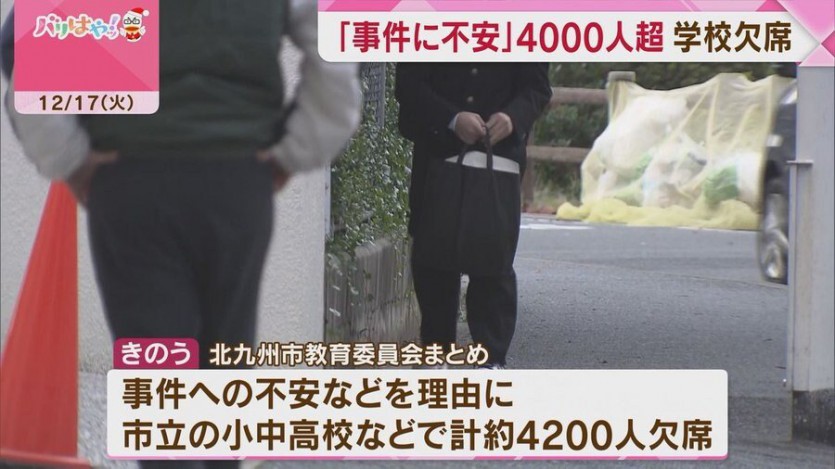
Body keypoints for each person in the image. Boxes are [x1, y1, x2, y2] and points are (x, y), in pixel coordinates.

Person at [3, 2, 360, 466]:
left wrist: (68, 155)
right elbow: (332, 47)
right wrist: (297, 148)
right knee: (225, 368)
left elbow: (25, 43)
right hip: (236, 178)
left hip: (132, 176)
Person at [395, 63, 551, 369]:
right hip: (438, 149)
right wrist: (452, 119)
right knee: (433, 255)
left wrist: (511, 118)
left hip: (499, 157)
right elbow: (409, 85)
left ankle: (490, 358)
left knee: (494, 256)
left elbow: (537, 88)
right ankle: (436, 352)